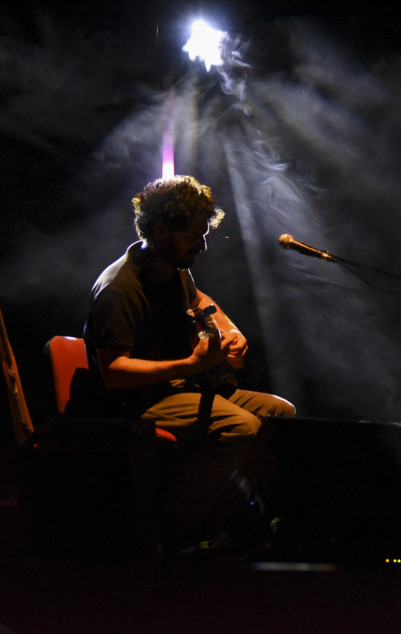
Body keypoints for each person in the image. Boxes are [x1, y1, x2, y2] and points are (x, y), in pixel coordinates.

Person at [83, 175, 295, 550]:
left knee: (280, 413)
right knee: (241, 426)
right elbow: (114, 374)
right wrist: (193, 365)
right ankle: (178, 530)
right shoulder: (119, 289)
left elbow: (199, 300)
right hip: (141, 402)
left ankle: (253, 523)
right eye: (195, 235)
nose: (203, 244)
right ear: (161, 229)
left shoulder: (174, 269)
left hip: (183, 388)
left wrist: (228, 330)